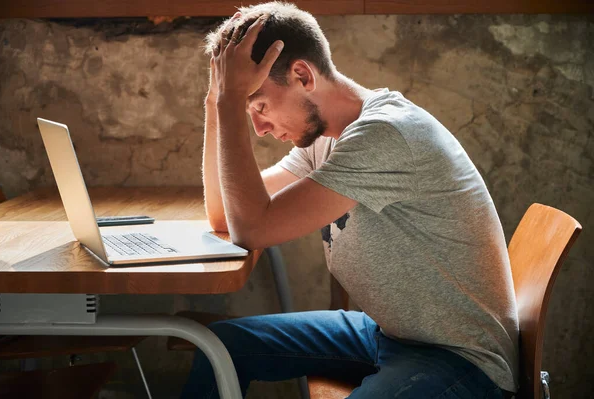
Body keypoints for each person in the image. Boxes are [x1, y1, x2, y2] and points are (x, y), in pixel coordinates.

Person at [182, 2, 519, 398]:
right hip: (389, 335)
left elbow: (252, 229)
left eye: (259, 106)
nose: (258, 128)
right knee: (220, 348)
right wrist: (216, 100)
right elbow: (225, 214)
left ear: (302, 75)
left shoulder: (386, 134)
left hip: (459, 359)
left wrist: (229, 103)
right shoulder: (326, 137)